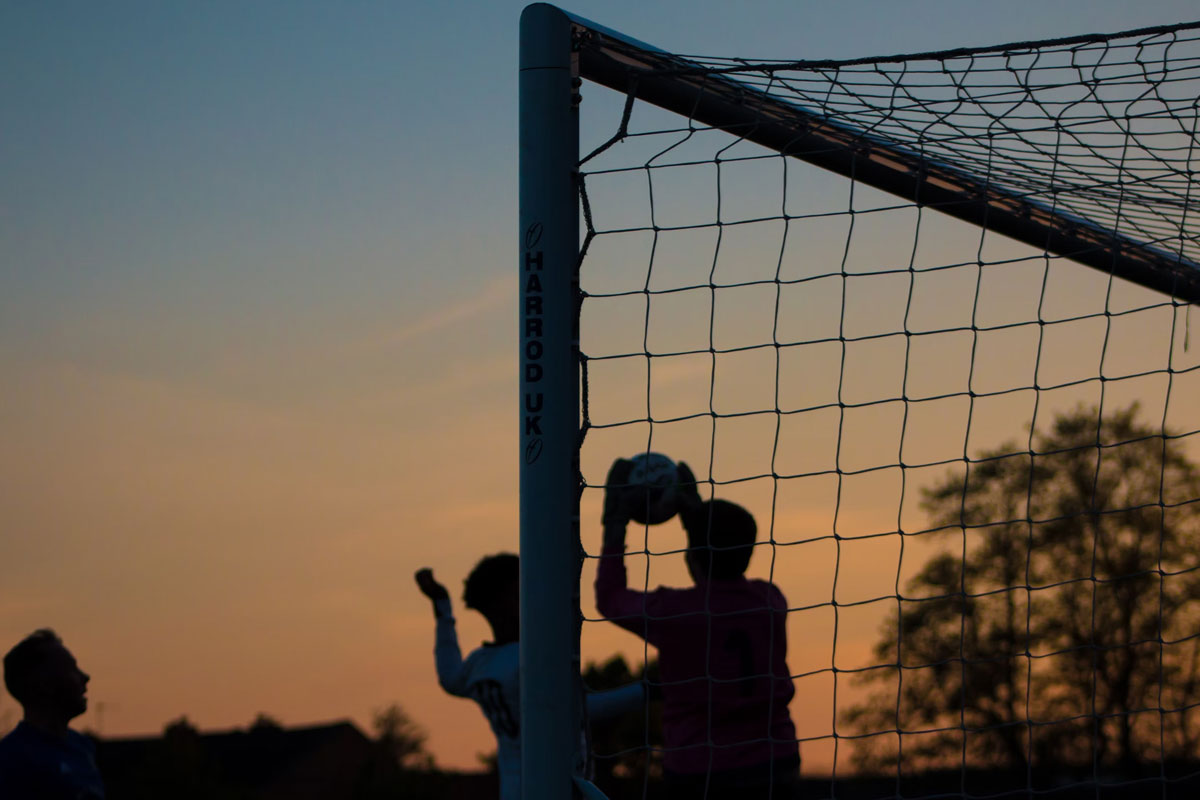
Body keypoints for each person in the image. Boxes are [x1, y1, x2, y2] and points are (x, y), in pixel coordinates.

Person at [595, 459, 800, 799]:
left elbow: (610, 598)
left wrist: (615, 524)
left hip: (701, 771)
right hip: (775, 762)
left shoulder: (675, 613)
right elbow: (712, 572)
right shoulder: (771, 602)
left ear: (691, 554)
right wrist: (696, 517)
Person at [415, 554, 640, 800]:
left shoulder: (480, 664)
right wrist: (648, 690)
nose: (533, 599)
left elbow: (448, 675)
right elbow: (580, 710)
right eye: (522, 592)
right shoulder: (529, 660)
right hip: (555, 788)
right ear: (502, 604)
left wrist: (442, 606)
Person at [0, 629, 105, 799]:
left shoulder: (83, 747)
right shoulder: (11, 759)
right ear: (42, 684)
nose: (85, 677)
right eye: (71, 669)